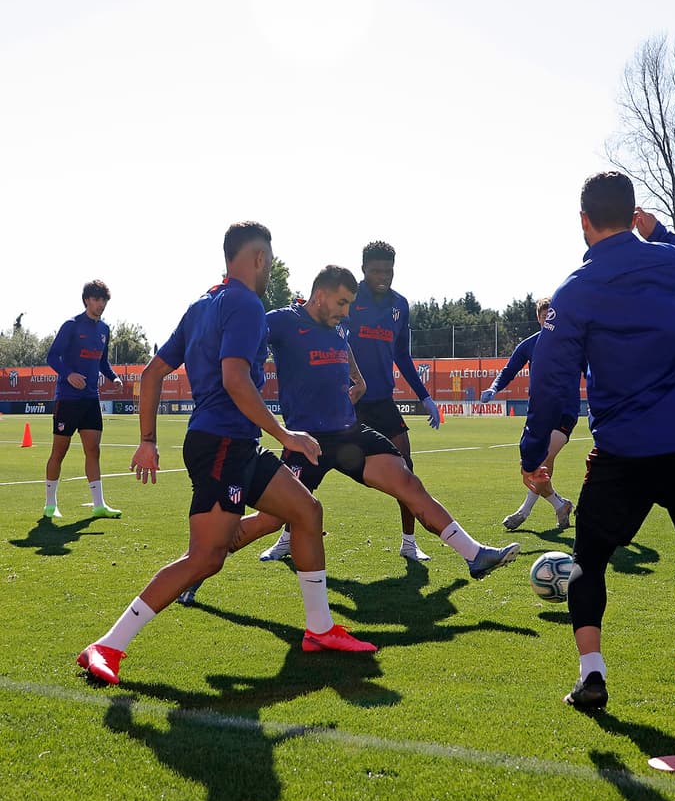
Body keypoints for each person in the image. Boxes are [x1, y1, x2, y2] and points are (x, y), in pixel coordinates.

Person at [76, 222, 375, 686]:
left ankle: (319, 630)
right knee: (206, 558)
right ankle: (108, 645)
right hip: (220, 445)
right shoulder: (245, 304)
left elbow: (152, 374)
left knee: (306, 511)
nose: (270, 272)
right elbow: (235, 379)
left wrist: (149, 440)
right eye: (270, 263)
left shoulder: (202, 306)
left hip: (235, 443)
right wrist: (286, 433)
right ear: (257, 259)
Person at [521, 171, 675, 713]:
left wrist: (534, 456)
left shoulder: (574, 290)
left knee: (589, 560)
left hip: (625, 449)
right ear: (635, 213)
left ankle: (592, 674)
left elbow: (554, 381)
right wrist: (663, 236)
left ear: (584, 221)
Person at [238, 266, 519, 582]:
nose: (347, 311)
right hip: (307, 441)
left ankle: (475, 555)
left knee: (408, 483)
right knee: (270, 521)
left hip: (349, 432)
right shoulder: (282, 321)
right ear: (319, 296)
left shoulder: (339, 324)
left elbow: (345, 344)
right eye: (342, 303)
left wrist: (358, 378)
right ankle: (200, 564)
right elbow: (241, 341)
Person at [345, 240, 443, 561]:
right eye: (375, 270)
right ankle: (289, 536)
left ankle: (409, 544)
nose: (382, 276)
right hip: (347, 401)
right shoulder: (347, 297)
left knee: (407, 470)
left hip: (383, 402)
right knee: (310, 465)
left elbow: (402, 355)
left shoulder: (400, 305)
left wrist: (425, 397)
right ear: (363, 269)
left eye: (388, 270)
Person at [481, 296, 576, 531]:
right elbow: (508, 370)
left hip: (565, 410)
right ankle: (559, 504)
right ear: (538, 319)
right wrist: (493, 388)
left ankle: (524, 512)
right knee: (535, 464)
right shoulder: (529, 345)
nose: (548, 320)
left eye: (552, 315)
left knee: (543, 459)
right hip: (540, 413)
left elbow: (593, 370)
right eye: (544, 316)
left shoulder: (572, 342)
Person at [43, 280, 124, 519]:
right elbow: (52, 356)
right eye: (97, 300)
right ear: (87, 300)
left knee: (93, 450)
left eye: (104, 301)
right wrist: (69, 375)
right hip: (68, 399)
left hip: (90, 399)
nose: (101, 305)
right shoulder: (71, 325)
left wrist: (114, 377)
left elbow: (102, 362)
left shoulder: (104, 330)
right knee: (60, 451)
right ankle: (50, 505)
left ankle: (99, 504)